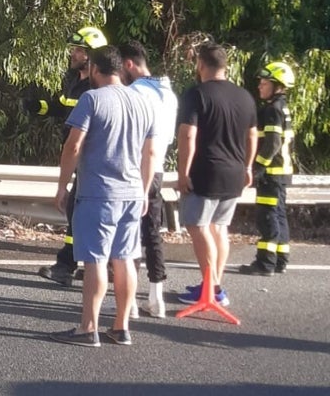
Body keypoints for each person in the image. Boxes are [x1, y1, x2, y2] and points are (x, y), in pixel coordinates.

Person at [49, 45, 158, 347]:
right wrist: (145, 190)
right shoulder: (143, 101)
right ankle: (121, 326)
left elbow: (73, 146)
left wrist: (62, 186)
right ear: (121, 69)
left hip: (99, 193)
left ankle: (88, 327)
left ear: (95, 69)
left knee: (95, 260)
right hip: (133, 192)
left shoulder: (91, 99)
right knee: (124, 258)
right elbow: (150, 152)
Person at [175, 41, 257, 306]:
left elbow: (188, 134)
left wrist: (182, 171)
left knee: (197, 226)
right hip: (234, 172)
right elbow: (252, 134)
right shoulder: (245, 96)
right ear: (225, 66)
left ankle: (211, 287)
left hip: (206, 171)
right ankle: (214, 288)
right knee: (219, 228)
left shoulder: (197, 94)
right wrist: (247, 166)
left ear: (200, 65)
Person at [30, 25, 107, 286]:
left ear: (90, 55)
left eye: (78, 50)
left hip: (88, 158)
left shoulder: (95, 89)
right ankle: (88, 264)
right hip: (81, 161)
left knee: (77, 208)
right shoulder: (76, 83)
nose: (73, 54)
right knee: (79, 210)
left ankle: (67, 265)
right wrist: (37, 107)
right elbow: (61, 109)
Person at [120, 40, 177, 318]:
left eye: (121, 67)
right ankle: (156, 300)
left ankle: (129, 302)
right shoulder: (168, 92)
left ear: (129, 64)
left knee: (128, 234)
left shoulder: (136, 93)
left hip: (135, 168)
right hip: (158, 169)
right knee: (153, 233)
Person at [240, 61, 296, 276]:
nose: (260, 86)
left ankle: (265, 263)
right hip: (280, 174)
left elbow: (272, 143)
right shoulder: (282, 107)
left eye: (264, 83)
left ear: (277, 85)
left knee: (268, 217)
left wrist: (259, 167)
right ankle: (281, 259)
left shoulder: (272, 110)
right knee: (279, 215)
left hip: (271, 174)